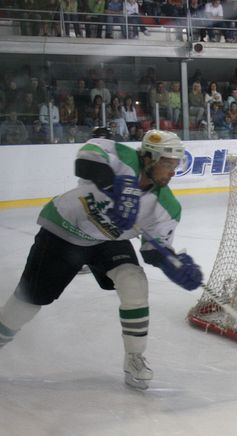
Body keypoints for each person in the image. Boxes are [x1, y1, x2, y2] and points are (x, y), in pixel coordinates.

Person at [0, 130, 203, 390]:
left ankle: (134, 358)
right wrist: (117, 188)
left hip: (108, 240)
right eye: (168, 164)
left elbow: (153, 251)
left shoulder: (167, 206)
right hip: (64, 230)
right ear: (149, 158)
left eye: (176, 165)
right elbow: (85, 160)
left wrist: (172, 265)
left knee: (134, 281)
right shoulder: (123, 157)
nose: (172, 172)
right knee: (29, 301)